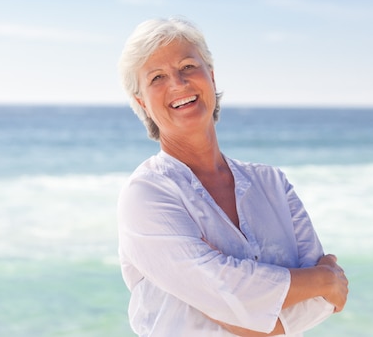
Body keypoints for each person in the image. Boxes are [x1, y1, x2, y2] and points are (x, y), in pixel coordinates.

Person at [116, 17, 348, 336]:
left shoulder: (273, 185)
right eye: (157, 77)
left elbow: (321, 303)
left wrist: (244, 304)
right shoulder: (146, 194)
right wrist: (322, 280)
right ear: (142, 102)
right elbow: (227, 294)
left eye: (188, 67)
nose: (179, 83)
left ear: (210, 76)